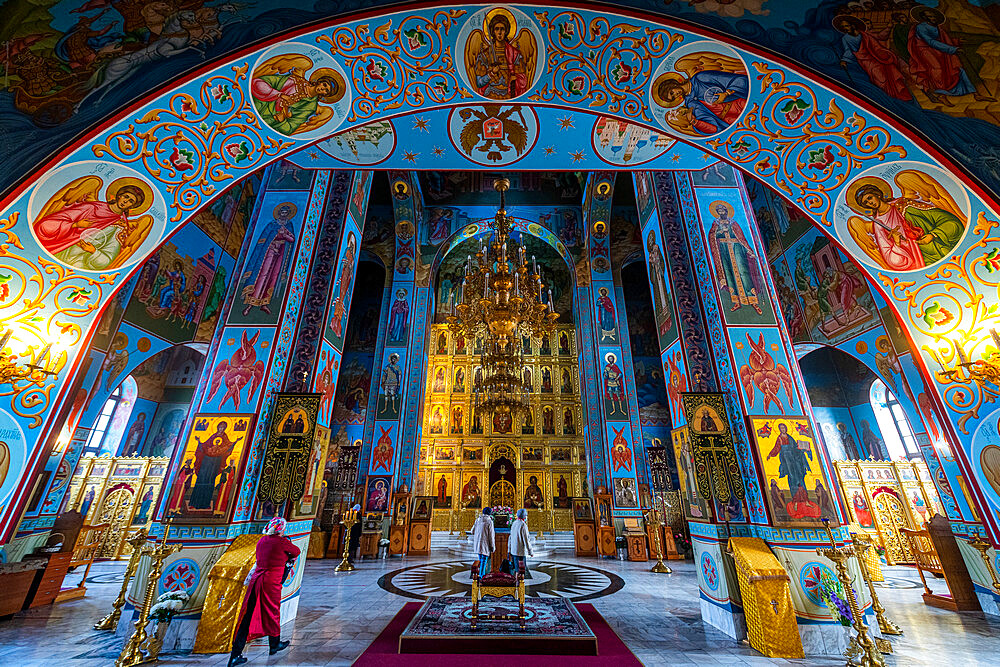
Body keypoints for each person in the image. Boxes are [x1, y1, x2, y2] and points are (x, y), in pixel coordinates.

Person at [229, 517, 299, 666]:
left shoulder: (261, 541)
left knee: (247, 615)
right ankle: (274, 644)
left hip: (256, 581)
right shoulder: (281, 542)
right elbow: (296, 551)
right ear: (281, 529)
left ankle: (235, 653)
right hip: (270, 583)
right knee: (273, 612)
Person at [472, 506, 495, 578]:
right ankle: (481, 576)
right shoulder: (489, 521)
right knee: (484, 561)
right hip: (485, 545)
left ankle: (480, 575)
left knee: (481, 560)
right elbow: (491, 536)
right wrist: (492, 547)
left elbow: (472, 531)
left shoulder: (478, 520)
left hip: (478, 544)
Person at [508, 508, 533, 574]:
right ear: (524, 516)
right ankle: (520, 583)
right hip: (521, 552)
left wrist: (509, 549)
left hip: (514, 551)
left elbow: (510, 538)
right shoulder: (523, 525)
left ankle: (517, 582)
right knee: (521, 571)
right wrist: (530, 551)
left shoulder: (514, 523)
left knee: (516, 570)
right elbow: (526, 540)